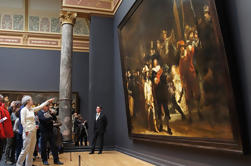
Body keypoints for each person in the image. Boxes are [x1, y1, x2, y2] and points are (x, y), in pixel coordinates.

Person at [16, 96, 55, 166]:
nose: (32, 101)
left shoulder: (31, 109)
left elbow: (40, 106)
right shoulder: (23, 110)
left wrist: (48, 101)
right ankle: (18, 164)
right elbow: (22, 121)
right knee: (25, 150)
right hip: (28, 132)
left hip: (33, 131)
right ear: (27, 101)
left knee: (31, 151)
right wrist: (26, 130)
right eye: (31, 100)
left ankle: (29, 165)